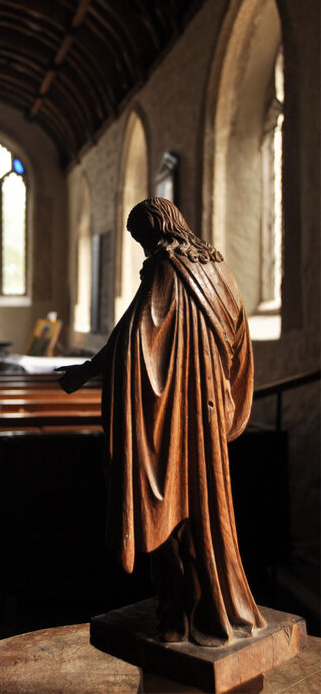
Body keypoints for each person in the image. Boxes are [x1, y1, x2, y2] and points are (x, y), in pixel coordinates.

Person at [58, 197, 265, 646]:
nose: (144, 248)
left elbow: (135, 336)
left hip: (176, 417)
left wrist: (87, 370)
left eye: (142, 238)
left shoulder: (166, 268)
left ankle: (179, 617)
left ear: (155, 230)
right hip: (207, 414)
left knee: (170, 510)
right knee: (208, 511)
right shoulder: (219, 270)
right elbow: (240, 341)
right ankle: (211, 603)